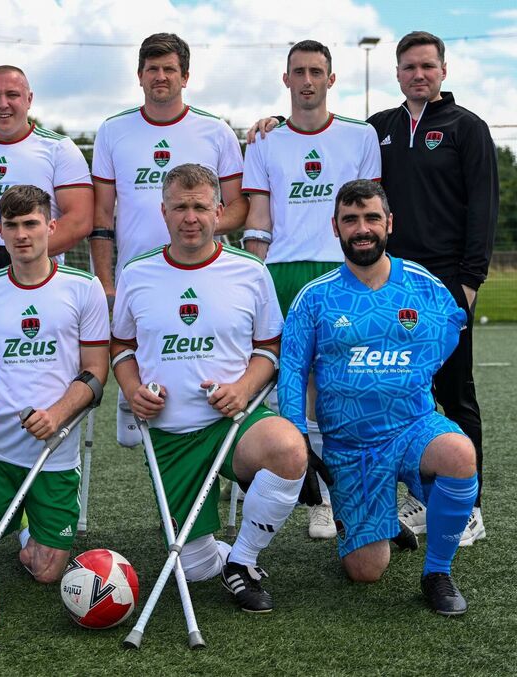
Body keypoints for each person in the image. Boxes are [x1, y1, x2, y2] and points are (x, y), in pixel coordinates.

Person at [111, 164, 307, 612]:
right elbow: (120, 343)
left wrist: (242, 389)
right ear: (163, 212)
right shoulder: (137, 273)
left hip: (232, 423)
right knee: (196, 568)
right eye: (180, 207)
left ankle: (243, 560)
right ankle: (219, 556)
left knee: (288, 449)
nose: (190, 217)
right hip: (169, 435)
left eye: (200, 206)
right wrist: (133, 387)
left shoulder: (250, 271)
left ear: (219, 211)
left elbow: (269, 345)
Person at [279, 179, 477, 615]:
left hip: (413, 426)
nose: (362, 228)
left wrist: (417, 369)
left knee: (460, 453)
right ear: (336, 227)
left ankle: (437, 573)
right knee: (366, 570)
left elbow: (453, 323)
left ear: (389, 223)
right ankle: (382, 523)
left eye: (371, 218)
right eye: (351, 220)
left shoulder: (422, 284)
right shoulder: (315, 297)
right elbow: (291, 369)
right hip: (352, 447)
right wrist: (298, 439)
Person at [241, 40, 380, 539]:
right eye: (298, 72)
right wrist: (252, 284)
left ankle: (338, 497)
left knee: (339, 389)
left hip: (338, 272)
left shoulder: (359, 136)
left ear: (330, 79)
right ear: (286, 81)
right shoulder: (263, 140)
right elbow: (258, 221)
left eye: (315, 71)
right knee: (284, 385)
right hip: (280, 272)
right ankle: (297, 493)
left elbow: (367, 216)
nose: (306, 80)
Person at [367, 32, 498, 545]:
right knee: (398, 392)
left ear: (443, 70)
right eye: (408, 67)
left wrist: (468, 285)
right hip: (391, 282)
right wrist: (272, 124)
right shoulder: (379, 128)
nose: (418, 74)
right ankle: (420, 499)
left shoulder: (467, 128)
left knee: (455, 393)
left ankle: (470, 507)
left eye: (427, 66)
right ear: (397, 73)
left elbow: (483, 211)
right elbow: (324, 141)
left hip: (445, 285)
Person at [91, 32, 246, 446]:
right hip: (138, 275)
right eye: (152, 69)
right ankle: (135, 393)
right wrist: (106, 280)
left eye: (169, 69)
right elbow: (102, 214)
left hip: (202, 270)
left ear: (186, 75)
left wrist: (195, 232)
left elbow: (238, 207)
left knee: (194, 361)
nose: (160, 77)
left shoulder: (216, 131)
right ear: (139, 76)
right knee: (140, 375)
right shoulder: (112, 130)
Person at [0, 185, 109, 583]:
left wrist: (57, 416)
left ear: (50, 226)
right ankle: (16, 511)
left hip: (54, 446)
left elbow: (96, 372)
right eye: (12, 226)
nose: (22, 234)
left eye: (31, 224)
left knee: (45, 572)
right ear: (0, 232)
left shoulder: (83, 287)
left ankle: (29, 519)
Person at [0, 65, 93, 315]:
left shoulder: (58, 148)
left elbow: (80, 221)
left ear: (29, 99)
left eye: (12, 95)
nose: (3, 104)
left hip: (37, 264)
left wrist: (17, 255)